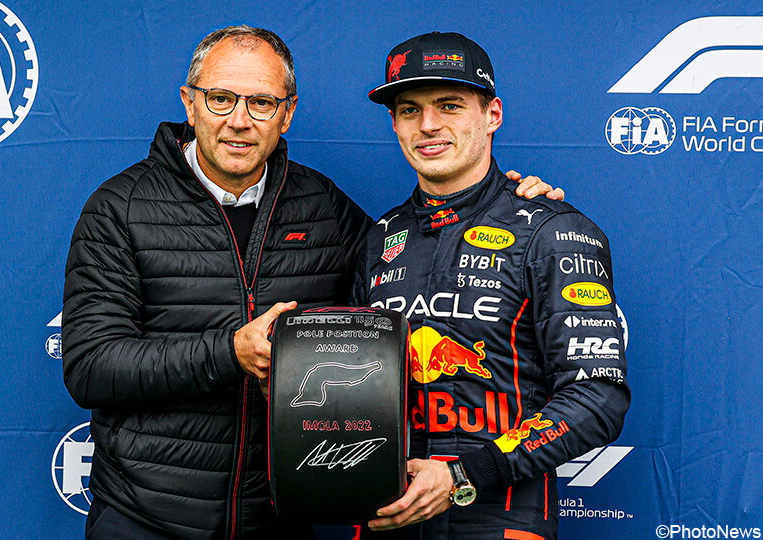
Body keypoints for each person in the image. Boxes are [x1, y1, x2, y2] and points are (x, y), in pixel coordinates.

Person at [62, 25, 561, 540]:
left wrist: (505, 207)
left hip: (278, 519)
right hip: (146, 519)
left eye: (261, 103)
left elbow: (413, 266)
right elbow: (89, 367)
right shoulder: (120, 208)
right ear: (190, 104)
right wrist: (230, 353)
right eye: (220, 99)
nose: (239, 120)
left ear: (287, 113)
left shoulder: (323, 206)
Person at [351, 32, 630, 539]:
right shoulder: (378, 238)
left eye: (450, 105)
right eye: (410, 110)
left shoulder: (554, 231)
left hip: (501, 519)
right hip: (389, 516)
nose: (427, 125)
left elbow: (597, 398)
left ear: (492, 114)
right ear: (394, 123)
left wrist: (463, 475)